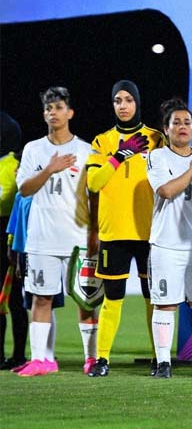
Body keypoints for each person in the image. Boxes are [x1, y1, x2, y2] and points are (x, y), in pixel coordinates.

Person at [14, 86, 98, 376]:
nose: (53, 112)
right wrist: (49, 169)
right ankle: (42, 360)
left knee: (86, 300)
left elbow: (95, 196)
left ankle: (92, 358)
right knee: (41, 298)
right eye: (49, 109)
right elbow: (24, 189)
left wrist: (95, 234)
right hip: (41, 238)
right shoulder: (33, 149)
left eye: (59, 107)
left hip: (78, 238)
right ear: (44, 114)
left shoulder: (87, 151)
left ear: (70, 113)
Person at [86, 80, 166, 377]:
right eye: (117, 100)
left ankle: (159, 359)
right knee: (113, 297)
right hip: (114, 232)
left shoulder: (157, 138)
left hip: (150, 232)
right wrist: (119, 156)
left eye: (128, 99)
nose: (122, 105)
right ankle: (102, 359)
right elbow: (94, 183)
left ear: (137, 102)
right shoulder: (102, 141)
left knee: (152, 298)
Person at [146, 98, 192, 379]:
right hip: (166, 243)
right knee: (165, 303)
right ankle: (163, 363)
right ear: (165, 129)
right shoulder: (156, 157)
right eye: (176, 122)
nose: (182, 126)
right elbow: (166, 191)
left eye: (187, 122)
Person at [0, 112, 28, 370]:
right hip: (11, 236)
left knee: (12, 300)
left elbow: (16, 204)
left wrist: (13, 243)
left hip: (9, 237)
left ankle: (18, 355)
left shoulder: (15, 164)